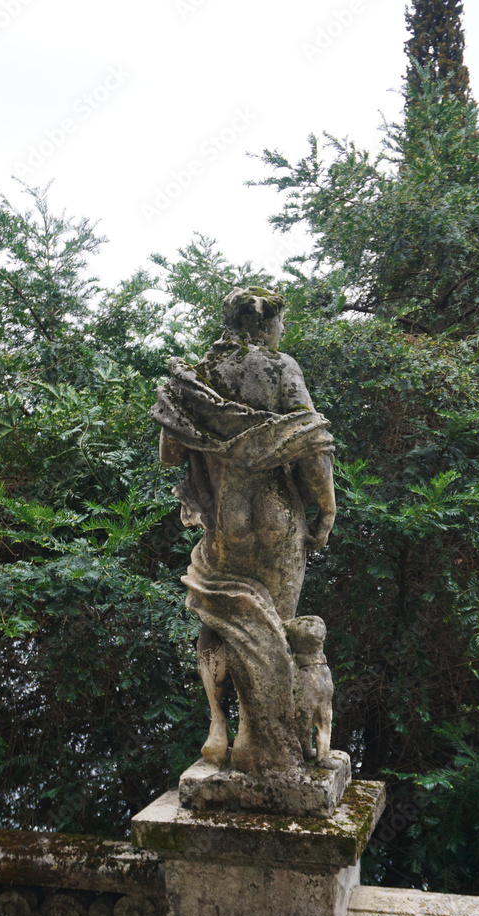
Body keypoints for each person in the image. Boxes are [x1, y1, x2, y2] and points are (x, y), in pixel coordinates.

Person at [152, 286, 336, 774]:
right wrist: (327, 508)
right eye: (281, 323)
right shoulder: (281, 368)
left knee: (221, 618)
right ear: (266, 323)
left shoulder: (196, 380)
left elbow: (171, 454)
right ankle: (266, 741)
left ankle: (218, 728)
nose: (282, 332)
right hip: (276, 515)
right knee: (274, 625)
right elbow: (310, 442)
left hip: (223, 519)